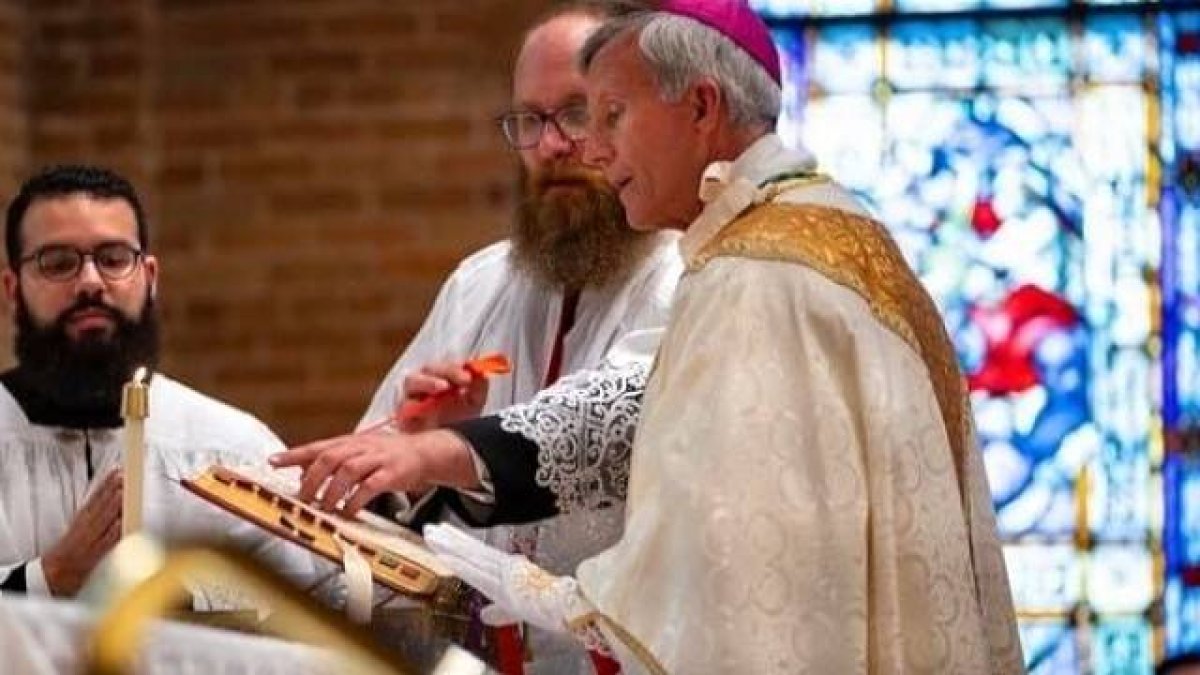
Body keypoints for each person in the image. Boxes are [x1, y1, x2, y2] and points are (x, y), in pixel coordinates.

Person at [318, 1, 1026, 672]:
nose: (586, 148)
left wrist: (468, 483)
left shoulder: (751, 272)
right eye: (536, 120)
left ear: (700, 107)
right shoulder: (813, 239)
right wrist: (424, 463)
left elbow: (707, 539)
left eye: (607, 115)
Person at [288, 1, 680, 671]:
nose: (552, 147)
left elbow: (611, 427)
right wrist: (418, 455)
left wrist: (451, 451)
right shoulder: (480, 283)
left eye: (577, 113)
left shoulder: (684, 278)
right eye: (529, 120)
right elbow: (376, 495)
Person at [0, 164, 315, 605]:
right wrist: (48, 578)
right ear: (12, 288)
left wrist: (188, 598)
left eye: (113, 260)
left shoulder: (231, 448)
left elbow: (315, 610)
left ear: (149, 277)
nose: (90, 282)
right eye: (58, 263)